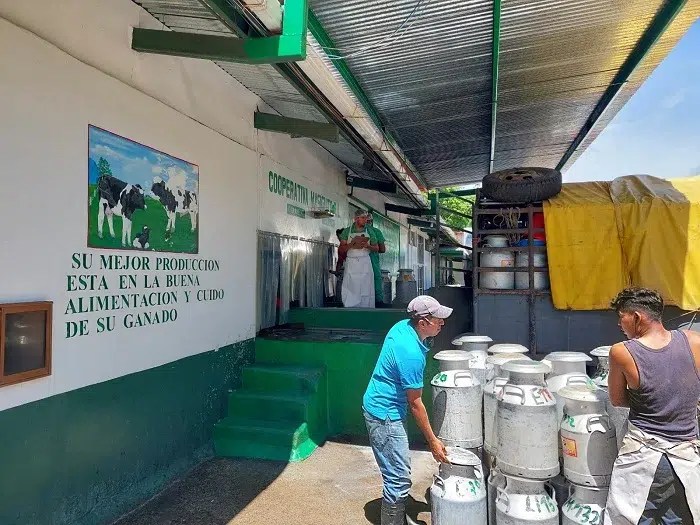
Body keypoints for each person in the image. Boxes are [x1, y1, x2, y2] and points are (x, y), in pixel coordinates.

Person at [605, 287, 700, 525]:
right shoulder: (694, 341)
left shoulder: (622, 352)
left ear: (637, 317)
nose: (620, 325)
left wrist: (648, 400)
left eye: (622, 317)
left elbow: (617, 399)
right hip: (687, 460)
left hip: (644, 459)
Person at [362, 296, 452, 525]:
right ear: (422, 322)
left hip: (383, 406)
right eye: (437, 319)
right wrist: (433, 441)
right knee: (398, 478)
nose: (442, 323)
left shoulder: (404, 326)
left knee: (396, 473)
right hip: (385, 415)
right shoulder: (410, 353)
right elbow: (416, 403)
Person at [339, 209, 379, 308]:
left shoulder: (370, 231)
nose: (366, 220)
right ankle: (349, 308)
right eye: (363, 218)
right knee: (350, 286)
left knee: (366, 287)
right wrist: (352, 244)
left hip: (365, 262)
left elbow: (377, 248)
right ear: (356, 219)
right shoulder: (346, 231)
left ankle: (366, 308)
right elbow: (342, 249)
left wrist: (367, 246)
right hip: (351, 263)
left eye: (366, 218)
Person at [366, 212, 387, 307]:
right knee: (376, 280)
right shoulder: (376, 231)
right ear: (371, 221)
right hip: (372, 260)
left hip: (356, 262)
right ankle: (378, 303)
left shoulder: (353, 231)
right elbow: (382, 249)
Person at [331, 228, 346, 299]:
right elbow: (340, 261)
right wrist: (337, 271)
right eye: (338, 237)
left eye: (341, 237)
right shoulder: (340, 247)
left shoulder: (351, 245)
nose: (339, 239)